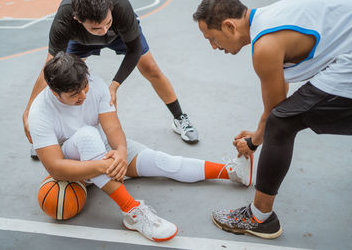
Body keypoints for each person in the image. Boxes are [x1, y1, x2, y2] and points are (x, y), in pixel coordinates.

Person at [28, 52, 253, 242]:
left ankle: (231, 171)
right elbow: (56, 167)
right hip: (75, 165)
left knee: (162, 162)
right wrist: (103, 166)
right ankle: (132, 211)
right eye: (74, 94)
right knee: (87, 135)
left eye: (84, 87)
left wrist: (121, 154)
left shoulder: (94, 84)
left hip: (105, 151)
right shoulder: (40, 112)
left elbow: (113, 128)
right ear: (54, 92)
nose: (84, 95)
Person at [193, 0, 352, 239]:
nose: (214, 46)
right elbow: (281, 93)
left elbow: (276, 114)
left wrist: (254, 141)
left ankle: (259, 217)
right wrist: (257, 135)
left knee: (281, 124)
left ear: (229, 26)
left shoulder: (265, 47)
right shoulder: (269, 18)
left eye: (212, 38)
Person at [23, 0, 199, 151]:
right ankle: (45, 137)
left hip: (120, 36)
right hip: (81, 41)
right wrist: (30, 111)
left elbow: (134, 50)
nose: (104, 30)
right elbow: (50, 69)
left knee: (151, 68)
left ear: (110, 8)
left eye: (107, 22)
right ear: (77, 19)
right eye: (97, 27)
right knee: (65, 78)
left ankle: (179, 118)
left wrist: (114, 85)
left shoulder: (120, 5)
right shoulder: (64, 20)